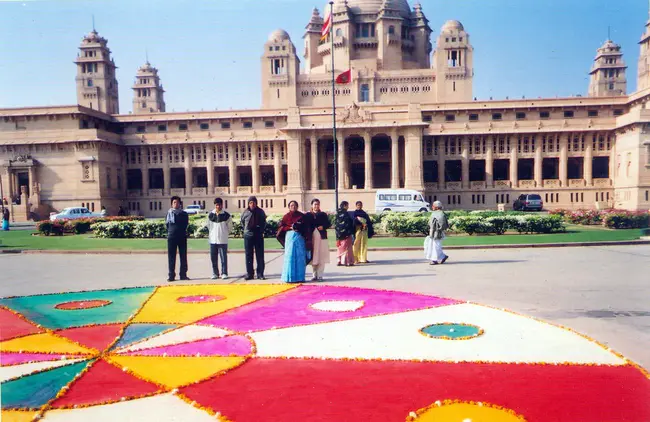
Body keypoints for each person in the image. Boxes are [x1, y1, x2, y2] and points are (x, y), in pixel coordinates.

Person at [277, 201, 309, 283]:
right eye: (291, 205)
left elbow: (306, 227)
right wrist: (290, 228)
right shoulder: (286, 216)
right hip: (290, 238)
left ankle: (300, 277)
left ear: (297, 206)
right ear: (289, 207)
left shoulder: (302, 216)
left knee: (300, 257)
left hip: (299, 238)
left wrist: (299, 227)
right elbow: (282, 227)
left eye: (295, 205)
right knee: (290, 256)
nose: (293, 207)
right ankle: (289, 277)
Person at [303, 198, 331, 281]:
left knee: (321, 256)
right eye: (315, 204)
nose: (316, 206)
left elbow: (328, 224)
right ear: (312, 205)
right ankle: (314, 275)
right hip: (312, 238)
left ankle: (320, 275)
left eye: (318, 204)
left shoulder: (323, 214)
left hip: (322, 237)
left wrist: (323, 226)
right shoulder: (308, 215)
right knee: (314, 256)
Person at [205, 198, 232, 280]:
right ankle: (215, 273)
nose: (218, 206)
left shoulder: (227, 215)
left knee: (223, 257)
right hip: (213, 240)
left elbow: (230, 227)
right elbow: (208, 226)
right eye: (216, 205)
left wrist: (224, 233)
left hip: (222, 239)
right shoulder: (210, 215)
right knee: (213, 258)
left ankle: (224, 273)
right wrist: (212, 234)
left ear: (222, 205)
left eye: (219, 204)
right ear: (215, 205)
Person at [241, 196, 267, 280]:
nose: (252, 204)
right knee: (248, 255)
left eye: (254, 202)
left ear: (256, 203)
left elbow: (264, 223)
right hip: (248, 236)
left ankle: (260, 274)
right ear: (248, 204)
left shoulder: (260, 212)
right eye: (251, 203)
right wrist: (246, 231)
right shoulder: (245, 212)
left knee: (260, 255)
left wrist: (261, 230)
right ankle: (250, 274)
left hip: (258, 235)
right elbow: (242, 222)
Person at [166, 196, 190, 282]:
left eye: (177, 202)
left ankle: (183, 274)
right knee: (171, 257)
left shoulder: (184, 214)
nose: (176, 204)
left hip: (182, 237)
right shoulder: (169, 214)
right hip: (172, 237)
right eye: (174, 202)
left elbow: (185, 224)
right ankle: (171, 275)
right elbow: (167, 226)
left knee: (183, 256)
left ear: (180, 204)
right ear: (171, 204)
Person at [427, 200, 450, 265]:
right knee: (434, 245)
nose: (432, 207)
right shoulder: (434, 213)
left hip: (437, 232)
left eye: (433, 206)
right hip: (433, 232)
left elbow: (443, 224)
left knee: (436, 246)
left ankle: (434, 260)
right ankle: (442, 256)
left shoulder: (440, 214)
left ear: (436, 207)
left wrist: (439, 229)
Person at [335, 201, 355, 267]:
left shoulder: (338, 214)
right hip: (346, 234)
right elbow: (349, 224)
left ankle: (339, 260)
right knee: (347, 247)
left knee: (340, 247)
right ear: (344, 206)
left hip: (339, 234)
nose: (348, 207)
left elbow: (336, 224)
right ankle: (347, 262)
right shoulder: (346, 214)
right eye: (347, 205)